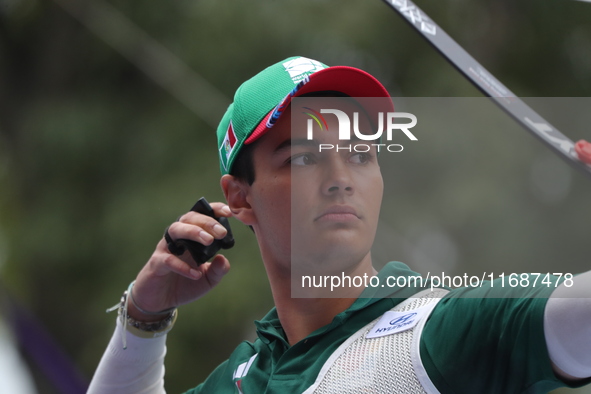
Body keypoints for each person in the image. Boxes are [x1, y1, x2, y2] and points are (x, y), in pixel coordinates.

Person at [88, 56, 591, 393]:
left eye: (359, 154)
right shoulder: (241, 381)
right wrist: (144, 316)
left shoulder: (441, 328)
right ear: (239, 198)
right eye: (303, 159)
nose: (340, 179)